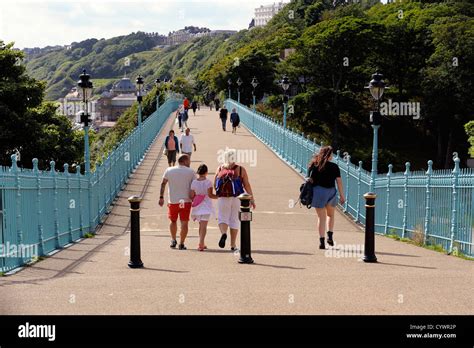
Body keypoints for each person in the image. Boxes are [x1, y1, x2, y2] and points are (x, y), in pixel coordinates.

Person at [214, 149, 256, 251]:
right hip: (238, 198)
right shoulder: (241, 170)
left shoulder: (220, 168)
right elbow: (247, 185)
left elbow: (215, 184)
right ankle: (233, 245)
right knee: (234, 220)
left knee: (222, 218)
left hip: (223, 198)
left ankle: (224, 233)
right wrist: (252, 199)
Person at [307, 146, 346, 250]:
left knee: (321, 217)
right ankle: (330, 235)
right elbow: (339, 182)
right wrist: (342, 195)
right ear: (329, 155)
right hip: (331, 192)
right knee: (330, 215)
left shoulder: (314, 165)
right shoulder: (334, 167)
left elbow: (309, 179)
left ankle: (322, 242)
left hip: (318, 192)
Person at [159, 154, 196, 250]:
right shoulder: (191, 172)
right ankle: (182, 243)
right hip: (186, 201)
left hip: (173, 201)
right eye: (189, 161)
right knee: (184, 223)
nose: (190, 162)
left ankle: (173, 239)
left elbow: (163, 183)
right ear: (184, 161)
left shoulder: (169, 170)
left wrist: (161, 197)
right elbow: (194, 187)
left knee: (173, 221)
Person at [190, 164, 218, 251]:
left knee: (200, 225)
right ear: (206, 172)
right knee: (203, 225)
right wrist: (218, 196)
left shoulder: (194, 182)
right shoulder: (208, 182)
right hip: (206, 205)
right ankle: (201, 244)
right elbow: (210, 195)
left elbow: (192, 195)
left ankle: (201, 242)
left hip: (197, 205)